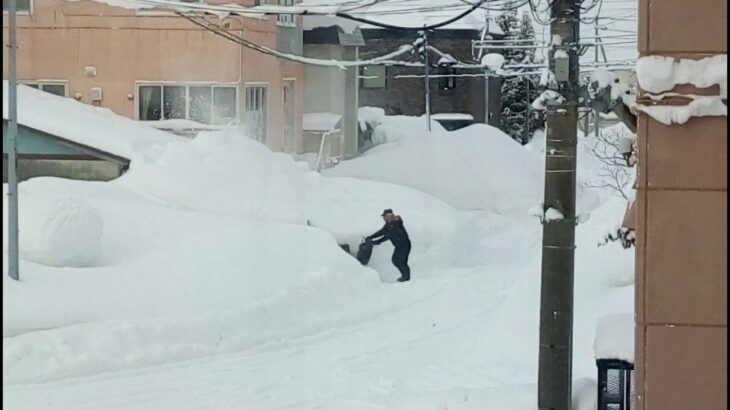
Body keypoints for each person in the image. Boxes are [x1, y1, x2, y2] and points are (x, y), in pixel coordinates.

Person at [366, 209, 412, 282]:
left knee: (397, 261)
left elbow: (388, 235)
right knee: (399, 261)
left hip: (403, 245)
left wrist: (377, 241)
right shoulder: (389, 224)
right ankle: (406, 277)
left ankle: (406, 278)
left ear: (388, 216)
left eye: (384, 216)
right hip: (400, 245)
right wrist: (371, 237)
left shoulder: (395, 224)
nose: (383, 218)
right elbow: (382, 232)